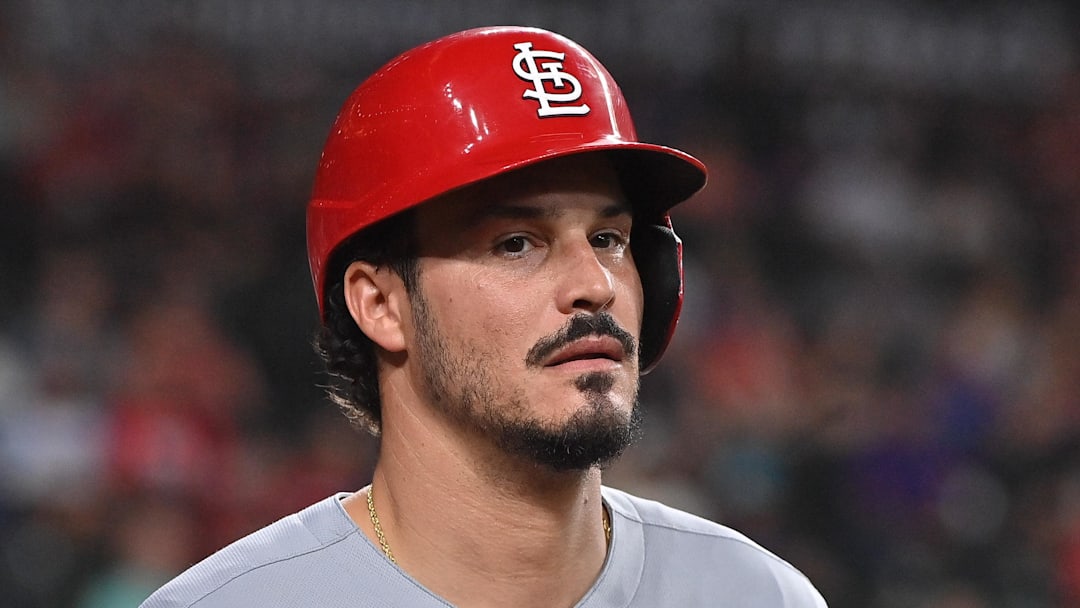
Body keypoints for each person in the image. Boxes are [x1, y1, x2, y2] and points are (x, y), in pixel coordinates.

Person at [141, 25, 827, 607]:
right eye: (516, 244)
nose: (594, 285)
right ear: (380, 305)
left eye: (609, 239)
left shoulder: (759, 595)